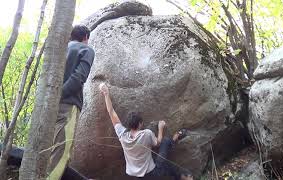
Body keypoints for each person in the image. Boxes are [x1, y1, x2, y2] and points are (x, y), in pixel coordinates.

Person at [99, 83, 193, 180]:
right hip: (153, 175)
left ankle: (180, 176)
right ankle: (174, 141)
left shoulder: (122, 135)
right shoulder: (146, 134)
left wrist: (106, 94)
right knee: (165, 143)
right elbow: (158, 143)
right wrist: (160, 128)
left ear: (128, 125)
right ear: (140, 124)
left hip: (136, 177)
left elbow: (111, 113)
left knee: (165, 165)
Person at [47, 25, 95, 180]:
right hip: (67, 105)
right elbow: (78, 77)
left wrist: (51, 99)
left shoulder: (60, 50)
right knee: (61, 152)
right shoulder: (86, 50)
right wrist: (58, 97)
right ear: (86, 37)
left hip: (47, 106)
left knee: (48, 148)